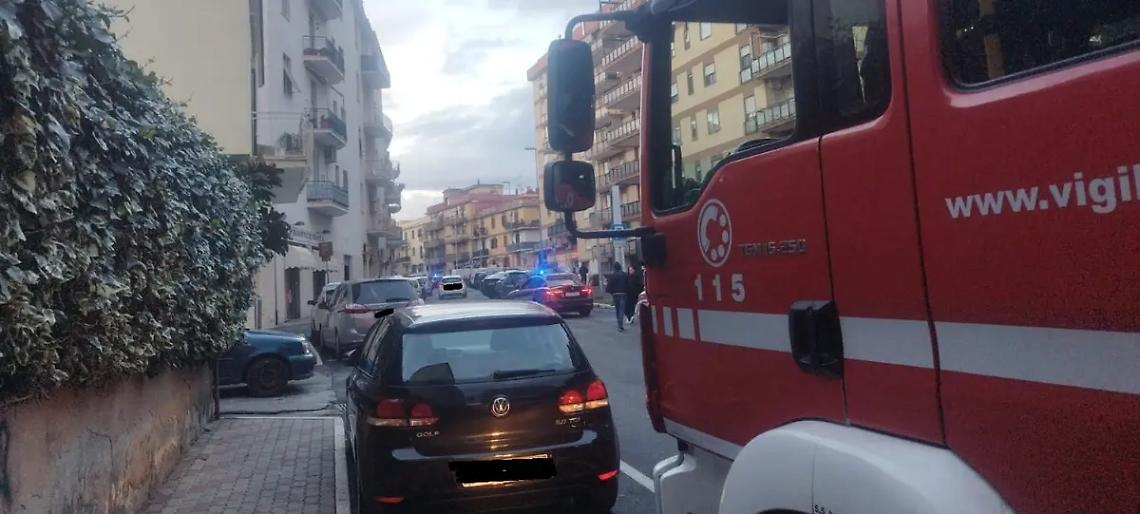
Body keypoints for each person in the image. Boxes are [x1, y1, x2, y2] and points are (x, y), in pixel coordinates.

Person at [605, 263, 629, 331]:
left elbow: (609, 286)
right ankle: (620, 326)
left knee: (618, 310)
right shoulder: (624, 275)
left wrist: (611, 292)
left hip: (615, 295)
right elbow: (628, 284)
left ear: (614, 268)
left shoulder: (613, 276)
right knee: (622, 310)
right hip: (623, 294)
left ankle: (619, 325)